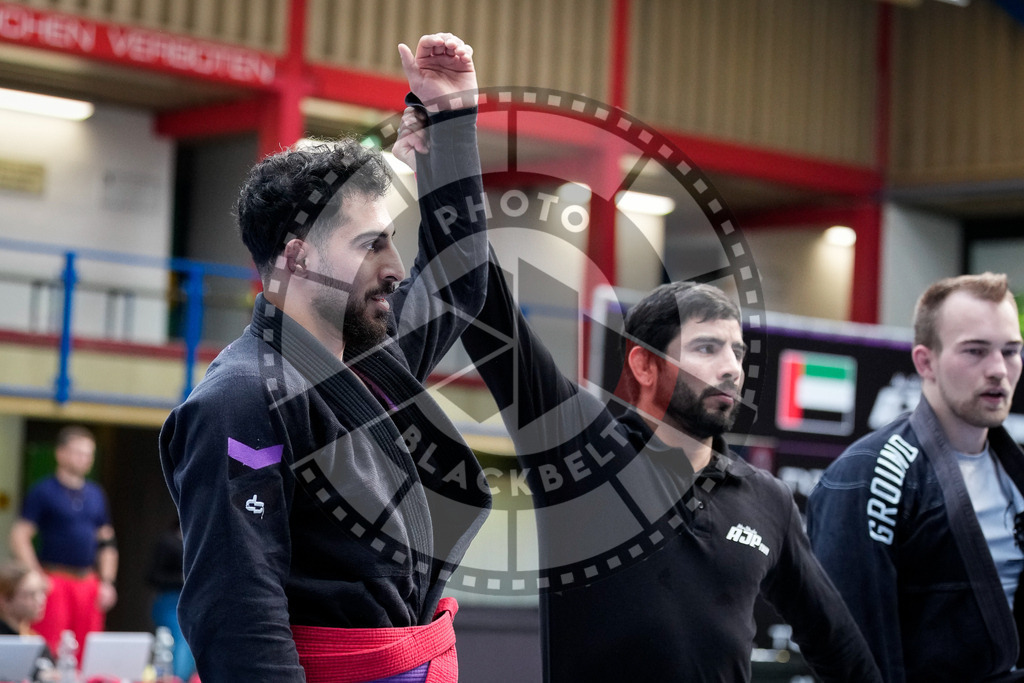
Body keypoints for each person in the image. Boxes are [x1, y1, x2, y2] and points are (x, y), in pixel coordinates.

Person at [159, 33, 491, 682]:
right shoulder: (241, 399)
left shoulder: (371, 359)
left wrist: (452, 124)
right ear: (297, 257)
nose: (395, 267)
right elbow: (238, 614)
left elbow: (459, 281)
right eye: (370, 244)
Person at [454, 257, 882, 679]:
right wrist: (456, 219)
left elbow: (840, 645)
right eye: (707, 348)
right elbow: (492, 317)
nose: (732, 369)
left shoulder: (768, 499)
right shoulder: (584, 453)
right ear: (644, 366)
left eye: (737, 352)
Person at [807, 272, 1024, 683]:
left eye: (1011, 351)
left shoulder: (1014, 473)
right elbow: (852, 653)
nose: (998, 369)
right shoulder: (869, 476)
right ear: (925, 362)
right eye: (975, 351)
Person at [8, 425, 117, 655]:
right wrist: (36, 574)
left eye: (88, 454)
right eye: (78, 452)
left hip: (88, 582)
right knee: (51, 644)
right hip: (55, 580)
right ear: (61, 453)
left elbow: (107, 542)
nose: (84, 459)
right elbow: (19, 535)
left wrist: (107, 581)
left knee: (89, 648)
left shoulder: (96, 494)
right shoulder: (43, 491)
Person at [147, 519, 195, 682]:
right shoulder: (168, 542)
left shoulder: (200, 540)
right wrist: (182, 579)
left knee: (192, 645)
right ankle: (175, 679)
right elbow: (152, 576)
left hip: (193, 602)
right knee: (178, 644)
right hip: (170, 601)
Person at [0, 561, 55, 679]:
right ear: (4, 601)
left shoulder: (33, 640)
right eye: (30, 594)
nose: (40, 600)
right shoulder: (5, 643)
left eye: (41, 592)